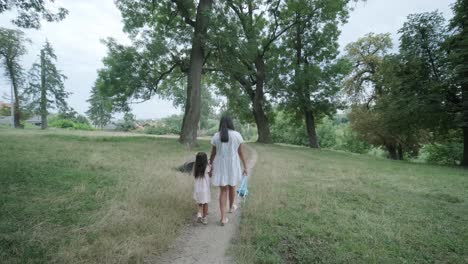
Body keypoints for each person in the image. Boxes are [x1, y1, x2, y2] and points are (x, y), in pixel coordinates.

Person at [209, 116, 248, 226]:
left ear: (221, 123)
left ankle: (223, 218)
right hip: (233, 165)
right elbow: (240, 153)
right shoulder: (237, 135)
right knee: (232, 186)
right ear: (231, 123)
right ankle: (231, 207)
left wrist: (210, 165)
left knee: (223, 191)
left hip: (221, 165)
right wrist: (245, 167)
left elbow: (213, 154)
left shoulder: (216, 136)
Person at [193, 152, 211, 225]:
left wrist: (197, 156)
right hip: (205, 189)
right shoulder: (207, 167)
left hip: (198, 189)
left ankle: (199, 214)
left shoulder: (196, 167)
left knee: (200, 202)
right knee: (205, 203)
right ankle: (204, 218)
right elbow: (210, 174)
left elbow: (194, 175)